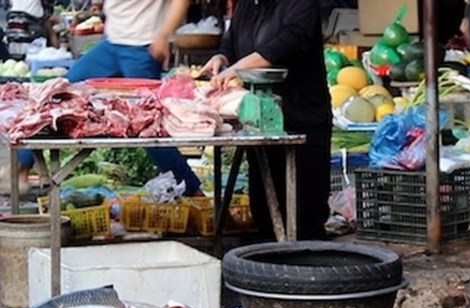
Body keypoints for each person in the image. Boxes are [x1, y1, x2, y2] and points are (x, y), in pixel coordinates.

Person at [200, 0, 332, 240]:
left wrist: (236, 69)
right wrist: (222, 58)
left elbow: (287, 43)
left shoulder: (301, 5)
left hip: (301, 117)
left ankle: (308, 265)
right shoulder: (247, 6)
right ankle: (268, 262)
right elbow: (231, 43)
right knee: (264, 208)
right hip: (259, 120)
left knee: (304, 211)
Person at [50, 0, 204, 196]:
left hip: (141, 47)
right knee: (60, 94)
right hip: (113, 43)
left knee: (148, 130)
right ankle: (22, 164)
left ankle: (193, 191)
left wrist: (164, 35)